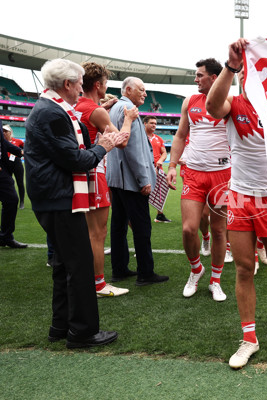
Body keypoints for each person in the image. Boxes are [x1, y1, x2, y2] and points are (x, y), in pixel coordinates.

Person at [206, 40, 267, 370]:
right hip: (240, 197)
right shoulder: (235, 103)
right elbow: (212, 106)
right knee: (245, 267)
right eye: (248, 73)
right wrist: (230, 66)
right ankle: (249, 338)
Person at [24, 58, 122, 348]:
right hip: (60, 198)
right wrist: (103, 146)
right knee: (79, 264)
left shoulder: (49, 109)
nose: (82, 88)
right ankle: (82, 331)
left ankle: (61, 325)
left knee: (63, 262)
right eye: (79, 83)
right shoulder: (52, 113)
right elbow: (75, 160)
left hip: (52, 196)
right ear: (67, 84)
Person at [166, 58, 229, 302]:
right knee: (189, 228)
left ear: (214, 78)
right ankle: (196, 270)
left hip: (223, 176)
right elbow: (181, 135)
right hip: (193, 172)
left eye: (200, 75)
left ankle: (216, 280)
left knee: (219, 230)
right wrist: (172, 165)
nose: (195, 79)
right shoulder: (189, 101)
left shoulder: (228, 103)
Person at [75, 61, 137, 298]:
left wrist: (103, 106)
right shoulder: (97, 111)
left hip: (77, 172)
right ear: (99, 84)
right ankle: (99, 284)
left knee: (82, 231)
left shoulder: (75, 105)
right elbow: (121, 141)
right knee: (97, 233)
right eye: (105, 84)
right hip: (94, 171)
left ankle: (85, 278)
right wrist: (129, 118)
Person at [106, 77, 169, 286]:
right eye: (141, 90)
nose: (144, 94)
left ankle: (119, 269)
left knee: (118, 226)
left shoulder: (115, 108)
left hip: (117, 178)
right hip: (131, 181)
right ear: (129, 89)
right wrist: (143, 180)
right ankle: (145, 273)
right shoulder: (128, 110)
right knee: (142, 227)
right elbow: (133, 150)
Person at [0, 122, 27, 248]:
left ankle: (5, 237)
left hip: (3, 169)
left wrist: (21, 152)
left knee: (11, 199)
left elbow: (3, 143)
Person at [143, 116, 171, 223]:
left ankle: (160, 215)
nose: (154, 125)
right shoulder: (140, 137)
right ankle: (143, 215)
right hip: (145, 169)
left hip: (158, 169)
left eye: (155, 123)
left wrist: (160, 161)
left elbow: (164, 153)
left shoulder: (159, 138)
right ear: (145, 124)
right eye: (151, 123)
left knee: (160, 191)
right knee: (145, 191)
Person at [2, 125, 26, 209]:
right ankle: (6, 200)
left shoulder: (18, 141)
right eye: (3, 131)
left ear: (10, 132)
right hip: (6, 164)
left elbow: (25, 148)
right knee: (7, 183)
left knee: (20, 183)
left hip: (16, 163)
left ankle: (22, 201)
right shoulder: (2, 143)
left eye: (6, 131)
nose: (4, 133)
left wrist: (23, 153)